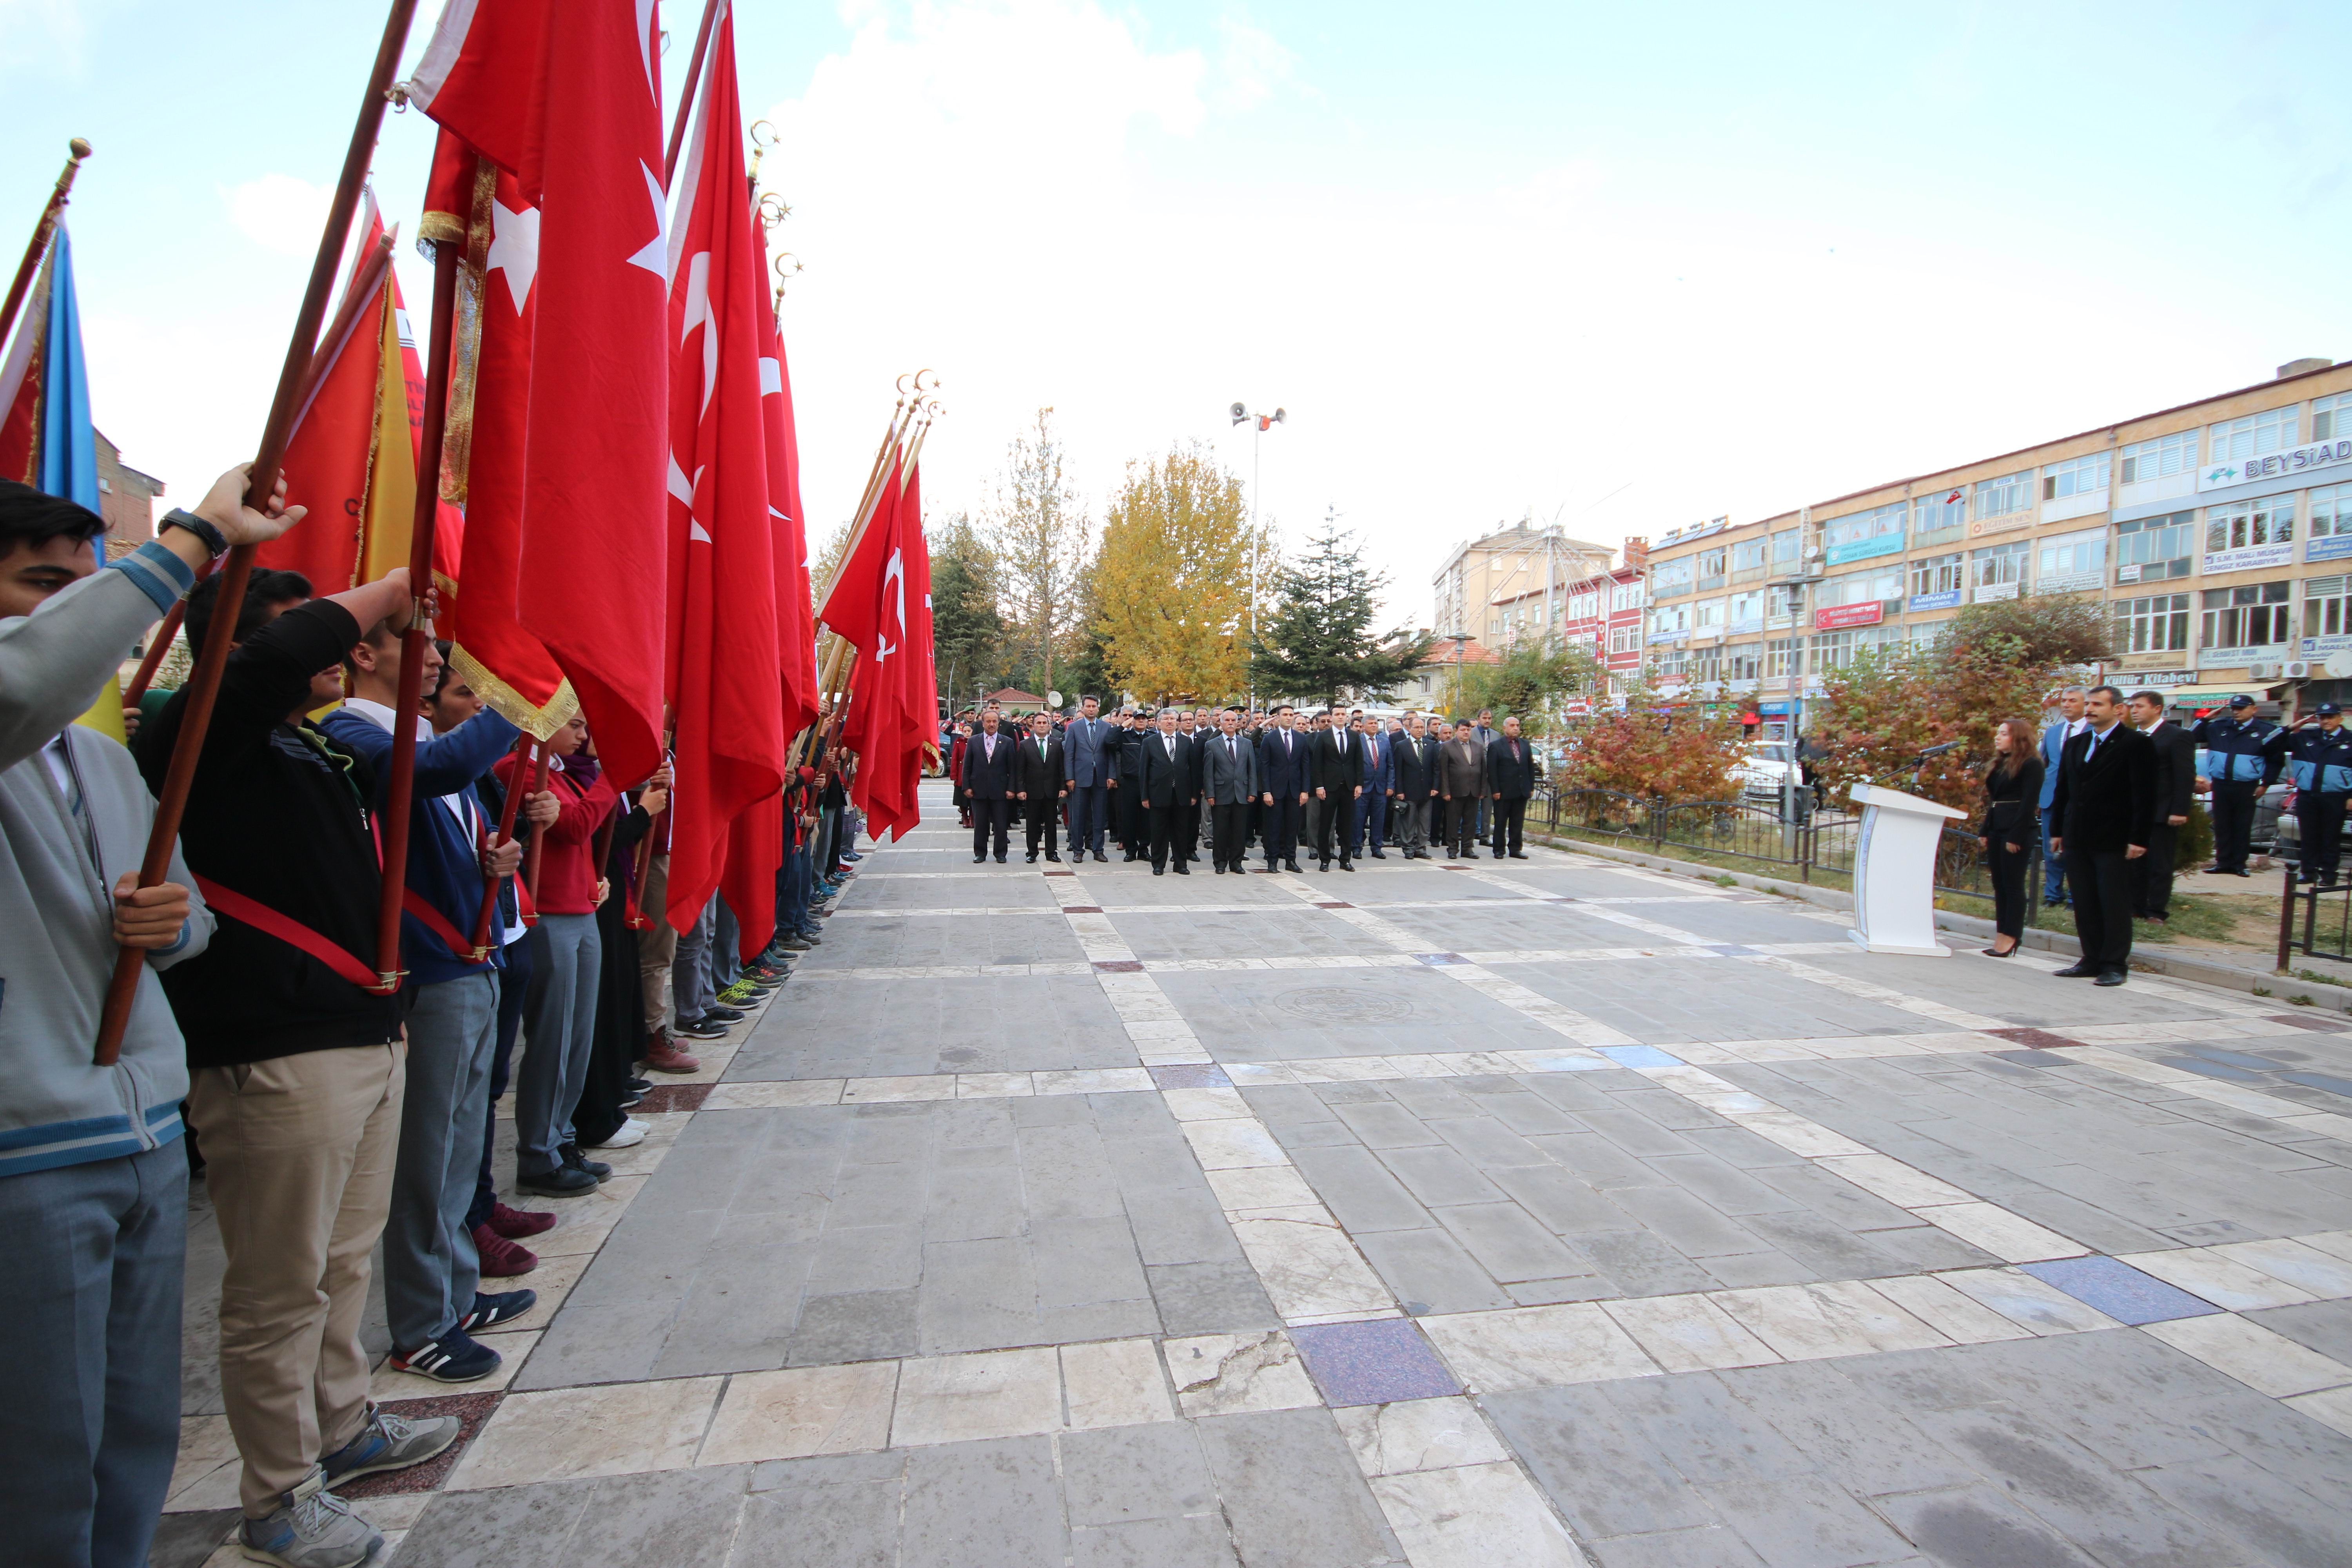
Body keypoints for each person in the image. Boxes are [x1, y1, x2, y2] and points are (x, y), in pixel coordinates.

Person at [141, 553, 464, 1565]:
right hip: (273, 1056)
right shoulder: (197, 736)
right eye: (319, 631)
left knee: (339, 1263)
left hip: (361, 1037)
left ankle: (342, 1424)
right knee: (278, 1289)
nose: (350, 649)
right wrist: (384, 591)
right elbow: (268, 665)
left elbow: (429, 775)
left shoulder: (313, 751)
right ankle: (278, 1494)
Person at [1, 475, 270, 1568]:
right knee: (40, 1460)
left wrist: (173, 924)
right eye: (37, 586)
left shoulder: (103, 759)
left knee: (132, 1439)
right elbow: (26, 680)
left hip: (144, 1133)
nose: (60, 610)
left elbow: (190, 917)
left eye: (80, 586)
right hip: (29, 1153)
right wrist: (187, 544)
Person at [320, 623, 534, 1385]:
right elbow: (438, 773)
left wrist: (496, 859)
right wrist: (526, 699)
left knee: (460, 1137)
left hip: (470, 959)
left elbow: (455, 818)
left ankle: (453, 1290)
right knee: (427, 1151)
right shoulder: (351, 729)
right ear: (364, 657)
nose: (439, 661)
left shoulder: (417, 735)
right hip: (430, 970)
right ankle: (420, 1322)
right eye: (420, 651)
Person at [494, 715, 619, 1199]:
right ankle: (538, 1151)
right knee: (554, 1035)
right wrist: (613, 777)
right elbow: (574, 825)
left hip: (580, 909)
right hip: (549, 916)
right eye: (573, 724)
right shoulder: (519, 768)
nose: (584, 734)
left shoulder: (562, 773)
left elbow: (579, 838)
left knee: (577, 1036)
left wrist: (595, 882)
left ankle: (562, 1136)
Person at [2048, 685, 2158, 986]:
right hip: (2078, 834)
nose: (2090, 709)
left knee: (2113, 901)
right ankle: (2091, 958)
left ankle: (2114, 963)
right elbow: (2064, 790)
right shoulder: (2077, 743)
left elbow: (2144, 795)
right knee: (2084, 899)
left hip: (2114, 837)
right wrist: (2057, 830)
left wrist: (2139, 838)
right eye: (2089, 704)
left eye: (2098, 704)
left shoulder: (2136, 744)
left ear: (2117, 709)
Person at [2194, 693, 2285, 876]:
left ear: (2254, 709)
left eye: (2241, 708)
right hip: (2221, 783)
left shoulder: (2266, 731)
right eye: (2234, 708)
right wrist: (2204, 720)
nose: (2237, 712)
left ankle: (2239, 864)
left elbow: (2276, 760)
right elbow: (2191, 736)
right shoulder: (2219, 726)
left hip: (2246, 785)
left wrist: (2266, 784)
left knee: (2242, 825)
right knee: (2222, 825)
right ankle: (2223, 862)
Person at [1979, 718, 2043, 957]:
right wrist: (1985, 830)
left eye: (2004, 733)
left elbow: (2029, 803)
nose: (1998, 737)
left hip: (2016, 830)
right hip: (1998, 826)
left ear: (2018, 738)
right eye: (1998, 732)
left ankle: (2012, 935)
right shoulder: (2000, 764)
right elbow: (1994, 802)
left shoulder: (2032, 765)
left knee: (2013, 884)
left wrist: (2015, 836)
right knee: (1999, 884)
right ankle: (2001, 933)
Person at [2128, 691, 2194, 916]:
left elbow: (2184, 775)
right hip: (2134, 811)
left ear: (2157, 709)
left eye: (2139, 706)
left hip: (2161, 811)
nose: (2134, 711)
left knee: (2159, 863)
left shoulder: (2176, 736)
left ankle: (2156, 910)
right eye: (2132, 707)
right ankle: (2135, 906)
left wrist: (2179, 810)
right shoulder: (2131, 737)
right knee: (2135, 862)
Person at [2287, 702, 2352, 887]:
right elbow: (2269, 743)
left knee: (2330, 837)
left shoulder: (2349, 740)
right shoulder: (2306, 737)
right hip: (2308, 795)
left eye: (2330, 717)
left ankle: (2329, 874)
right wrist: (2292, 728)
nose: (2326, 721)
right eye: (2322, 717)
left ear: (2340, 718)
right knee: (2308, 836)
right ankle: (2308, 872)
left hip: (2335, 796)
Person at [2038, 689, 2087, 905]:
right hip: (2052, 798)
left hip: (2080, 799)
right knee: (2051, 849)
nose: (2066, 705)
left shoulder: (2094, 731)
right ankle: (2052, 894)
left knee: (2077, 849)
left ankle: (2076, 896)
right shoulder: (2053, 732)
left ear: (2086, 704)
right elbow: (2043, 765)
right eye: (2064, 701)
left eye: (2073, 701)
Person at [1140, 707, 1197, 875]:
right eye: (1166, 719)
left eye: (1173, 719)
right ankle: (1158, 864)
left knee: (1181, 831)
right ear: (1158, 723)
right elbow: (1143, 771)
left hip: (1182, 794)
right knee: (1159, 832)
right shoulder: (1150, 742)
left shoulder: (1186, 742)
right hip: (1158, 793)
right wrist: (1145, 795)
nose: (1170, 722)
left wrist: (1194, 793)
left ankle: (1181, 864)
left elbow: (1193, 768)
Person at [1203, 708, 1260, 873]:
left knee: (1239, 831)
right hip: (1221, 794)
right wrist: (1210, 794)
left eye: (1233, 721)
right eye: (1226, 720)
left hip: (1242, 793)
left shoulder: (1246, 743)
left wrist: (1252, 791)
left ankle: (1236, 862)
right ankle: (1220, 863)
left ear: (1238, 723)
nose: (1230, 723)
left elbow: (1252, 770)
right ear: (1221, 723)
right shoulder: (1212, 744)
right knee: (1221, 831)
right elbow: (1208, 772)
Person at [1308, 707, 1365, 871]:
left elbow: (1358, 761)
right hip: (1329, 787)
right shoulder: (1324, 736)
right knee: (1325, 824)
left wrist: (1359, 784)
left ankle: (1345, 859)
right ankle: (1325, 859)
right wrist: (1319, 786)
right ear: (1331, 717)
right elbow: (1317, 763)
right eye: (1337, 715)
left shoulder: (1353, 736)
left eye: (1343, 714)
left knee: (1346, 824)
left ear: (1347, 717)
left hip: (1348, 787)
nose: (1340, 717)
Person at [1258, 704, 1309, 873]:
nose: (1289, 717)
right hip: (1275, 790)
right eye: (1285, 715)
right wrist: (1266, 791)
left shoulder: (1301, 739)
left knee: (1292, 826)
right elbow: (1264, 767)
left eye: (1291, 714)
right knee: (1274, 826)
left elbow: (1305, 766)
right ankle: (1272, 861)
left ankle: (1291, 860)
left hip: (1294, 790)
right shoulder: (1270, 739)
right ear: (1278, 718)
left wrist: (1305, 790)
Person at [1062, 695, 1113, 862]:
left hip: (1101, 778)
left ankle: (1098, 850)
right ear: (1083, 709)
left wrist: (1111, 775)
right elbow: (1069, 755)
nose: (1091, 709)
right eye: (1088, 706)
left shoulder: (1106, 728)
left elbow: (1111, 754)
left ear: (1098, 709)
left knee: (1099, 816)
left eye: (1094, 706)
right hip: (1079, 778)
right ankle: (1078, 850)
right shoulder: (1074, 728)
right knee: (1078, 816)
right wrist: (1069, 777)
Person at [964, 709, 1016, 862]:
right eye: (989, 721)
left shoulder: (1007, 742)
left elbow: (1012, 768)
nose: (992, 724)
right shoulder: (974, 741)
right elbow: (967, 766)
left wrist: (1011, 788)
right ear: (983, 723)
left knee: (1000, 825)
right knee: (980, 825)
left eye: (995, 721)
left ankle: (1000, 854)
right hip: (978, 790)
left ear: (999, 723)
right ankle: (980, 853)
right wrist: (966, 786)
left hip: (1000, 790)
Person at [1486, 715, 1540, 858]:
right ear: (1505, 728)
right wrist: (1495, 790)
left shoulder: (1524, 744)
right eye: (1512, 725)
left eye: (1517, 725)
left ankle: (1515, 849)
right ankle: (1499, 849)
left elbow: (1530, 767)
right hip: (1503, 792)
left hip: (1521, 790)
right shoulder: (1496, 746)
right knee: (1501, 821)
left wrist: (1531, 787)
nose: (1516, 728)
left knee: (1517, 822)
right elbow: (1492, 770)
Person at [1016, 710, 1065, 862]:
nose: (1042, 726)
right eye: (1039, 723)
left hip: (1051, 790)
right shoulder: (1025, 745)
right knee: (1032, 824)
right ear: (1033, 725)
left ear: (1049, 726)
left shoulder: (1057, 744)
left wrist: (1063, 787)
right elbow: (1020, 770)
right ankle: (1032, 853)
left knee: (1051, 824)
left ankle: (1051, 853)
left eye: (1045, 723)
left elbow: (1061, 768)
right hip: (1032, 791)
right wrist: (1021, 789)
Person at [1391, 714, 1439, 859]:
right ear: (1409, 728)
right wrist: (1399, 791)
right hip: (1409, 790)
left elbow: (1436, 768)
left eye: (1422, 728)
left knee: (1425, 822)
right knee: (1409, 822)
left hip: (1427, 790)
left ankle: (1421, 848)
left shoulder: (1431, 745)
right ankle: (1408, 848)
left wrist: (1436, 787)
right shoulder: (1401, 746)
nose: (1420, 730)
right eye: (1416, 727)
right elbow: (1398, 770)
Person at [1438, 718, 1487, 859]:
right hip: (1455, 792)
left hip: (1474, 791)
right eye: (1463, 730)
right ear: (1456, 731)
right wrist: (1445, 791)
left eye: (1468, 730)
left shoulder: (1478, 746)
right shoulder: (1448, 747)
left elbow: (1483, 769)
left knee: (1470, 822)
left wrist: (1483, 790)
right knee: (1453, 822)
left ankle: (1468, 848)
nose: (1466, 733)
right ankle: (1453, 849)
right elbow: (1444, 771)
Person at [1357, 713, 1392, 858]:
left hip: (1381, 788)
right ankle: (1356, 847)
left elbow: (1390, 765)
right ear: (1363, 726)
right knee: (1358, 819)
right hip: (1363, 787)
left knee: (1378, 819)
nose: (1374, 726)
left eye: (1376, 723)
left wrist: (1390, 785)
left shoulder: (1385, 741)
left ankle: (1377, 847)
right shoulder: (1357, 741)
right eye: (1371, 723)